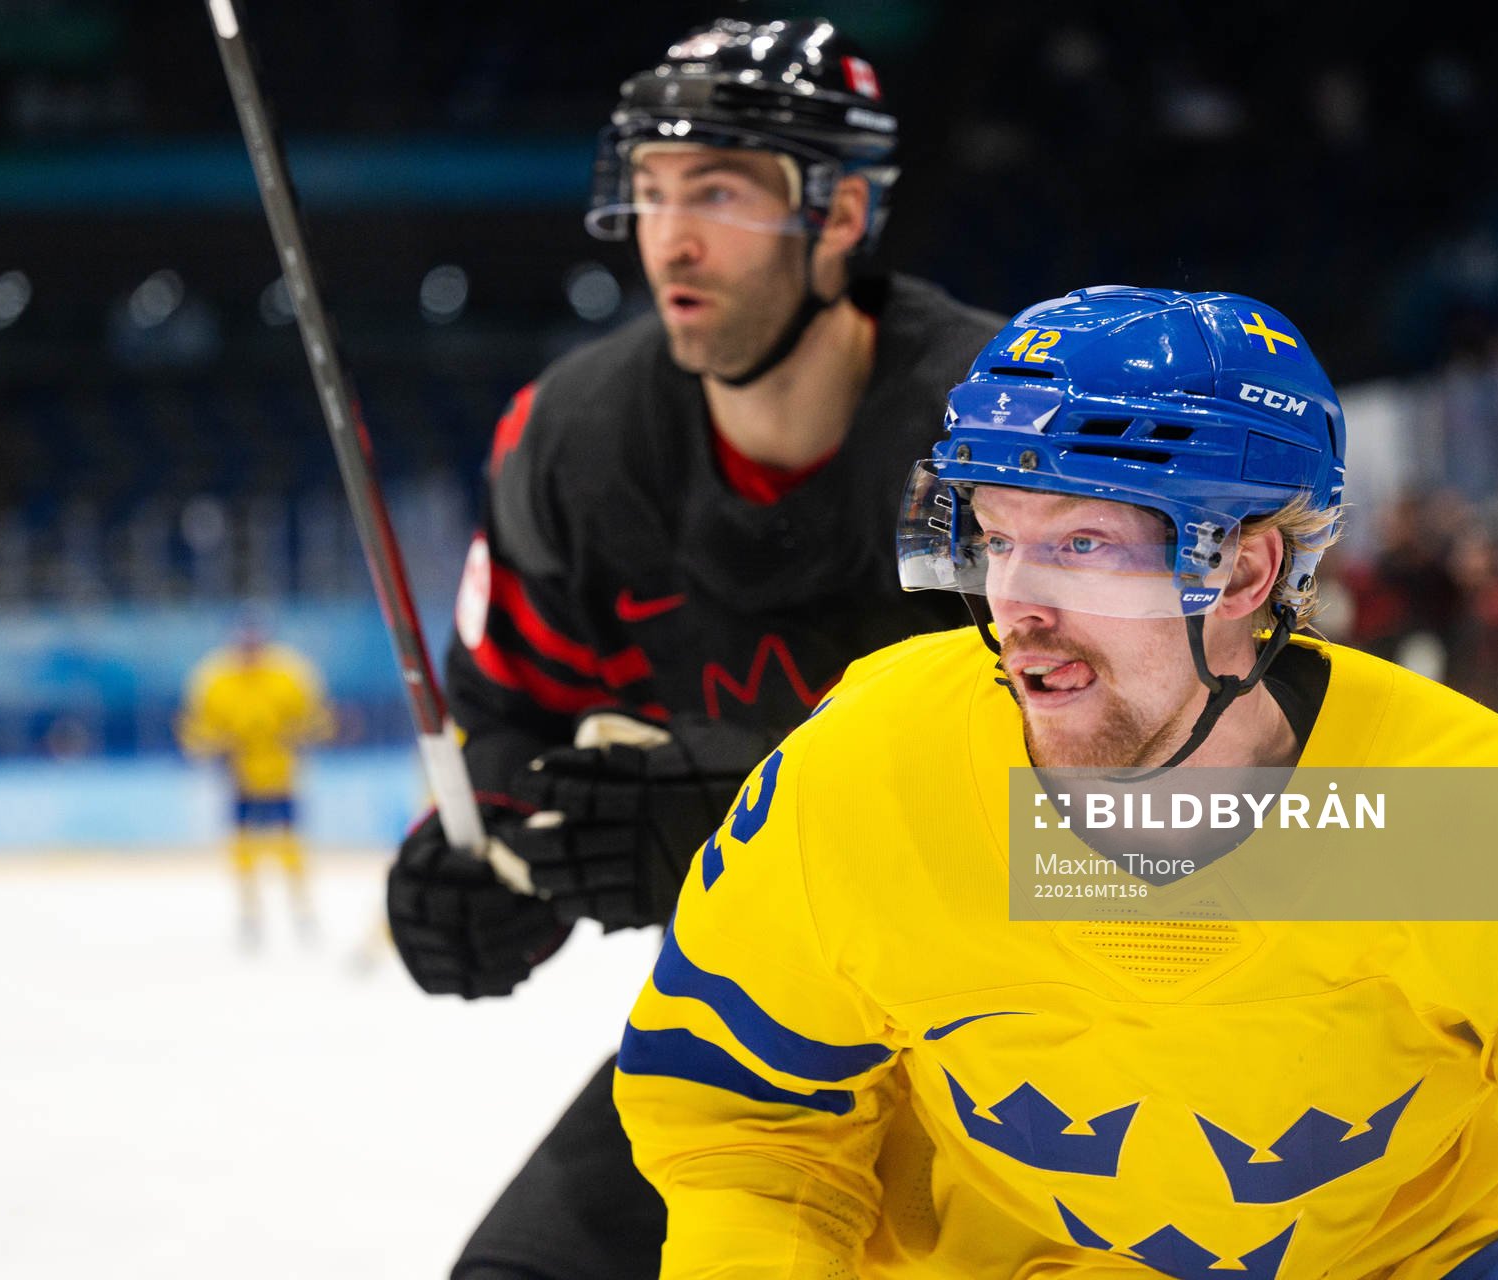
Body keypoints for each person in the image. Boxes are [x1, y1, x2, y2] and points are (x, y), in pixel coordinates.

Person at [615, 287, 1498, 1278]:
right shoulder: (868, 770)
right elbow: (742, 1119)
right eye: (999, 537)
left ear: (1244, 570)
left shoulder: (1477, 831)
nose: (1017, 605)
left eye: (1081, 544)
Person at [382, 18, 1001, 1280]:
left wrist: (765, 819)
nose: (669, 237)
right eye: (652, 191)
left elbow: (1205, 828)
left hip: (1036, 1049)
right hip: (765, 1042)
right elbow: (510, 711)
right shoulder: (577, 440)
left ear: (841, 214)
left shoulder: (1015, 435)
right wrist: (492, 856)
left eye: (717, 192)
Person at [177, 618, 334, 947]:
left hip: (282, 776)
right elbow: (196, 727)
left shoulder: (289, 673)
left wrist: (299, 735)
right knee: (243, 849)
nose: (249, 653)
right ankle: (250, 913)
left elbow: (317, 718)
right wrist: (214, 745)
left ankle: (301, 910)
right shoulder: (215, 678)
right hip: (240, 779)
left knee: (289, 847)